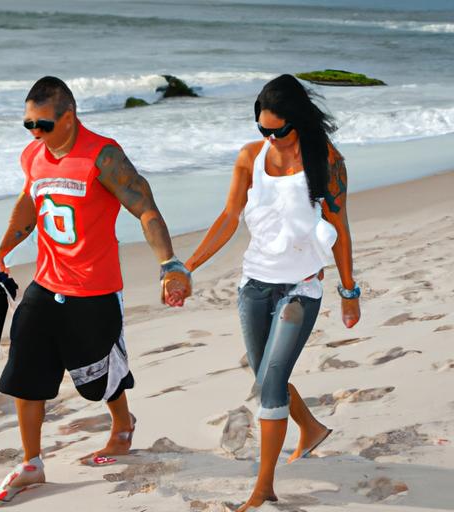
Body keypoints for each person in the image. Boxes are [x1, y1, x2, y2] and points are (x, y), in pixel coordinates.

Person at [0, 76, 191, 502]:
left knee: (98, 378)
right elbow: (30, 202)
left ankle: (122, 423)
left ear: (69, 117)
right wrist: (5, 246)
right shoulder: (34, 155)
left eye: (42, 124)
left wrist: (169, 265)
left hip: (95, 290)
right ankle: (32, 463)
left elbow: (146, 209)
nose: (35, 133)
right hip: (46, 282)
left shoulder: (104, 156)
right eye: (28, 125)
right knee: (25, 368)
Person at [184, 74, 361, 511]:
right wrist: (186, 267)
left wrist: (348, 289)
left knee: (271, 385)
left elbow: (339, 229)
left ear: (298, 121)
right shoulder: (249, 157)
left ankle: (263, 488)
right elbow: (229, 217)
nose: (271, 137)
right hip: (254, 286)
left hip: (301, 288)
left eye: (280, 129)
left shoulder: (327, 161)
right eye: (264, 129)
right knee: (266, 379)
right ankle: (312, 428)